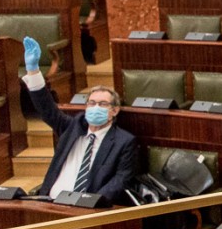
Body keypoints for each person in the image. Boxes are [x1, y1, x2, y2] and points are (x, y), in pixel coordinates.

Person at [21, 37, 137, 203]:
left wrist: (92, 202)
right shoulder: (72, 127)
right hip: (50, 201)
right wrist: (33, 72)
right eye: (92, 103)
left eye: (102, 104)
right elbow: (47, 109)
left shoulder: (123, 141)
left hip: (86, 205)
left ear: (114, 110)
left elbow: (120, 180)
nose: (95, 107)